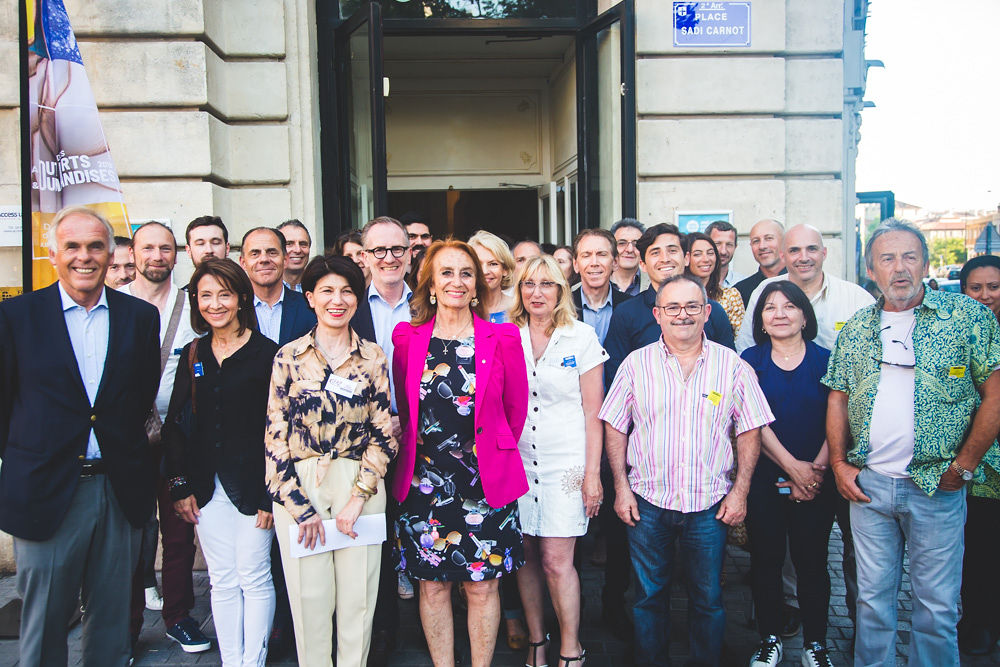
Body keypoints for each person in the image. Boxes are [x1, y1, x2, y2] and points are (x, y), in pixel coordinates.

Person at [824, 220, 1000, 666]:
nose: (899, 268)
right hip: (871, 487)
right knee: (870, 602)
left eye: (909, 257)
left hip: (938, 486)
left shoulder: (966, 317)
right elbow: (838, 398)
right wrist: (841, 466)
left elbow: (994, 393)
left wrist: (964, 466)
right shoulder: (858, 328)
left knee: (937, 608)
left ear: (924, 263)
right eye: (887, 258)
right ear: (871, 269)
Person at [0, 206, 160, 666]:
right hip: (45, 491)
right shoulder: (16, 316)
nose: (84, 256)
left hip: (118, 488)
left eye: (95, 246)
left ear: (111, 254)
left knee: (112, 624)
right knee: (45, 621)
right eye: (72, 246)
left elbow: (138, 395)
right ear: (54, 254)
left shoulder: (139, 317)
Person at [599, 275, 773, 667]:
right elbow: (615, 426)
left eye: (692, 306)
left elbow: (750, 429)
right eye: (673, 308)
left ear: (707, 312)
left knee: (708, 599)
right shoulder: (635, 364)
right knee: (648, 598)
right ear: (658, 315)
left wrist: (740, 491)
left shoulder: (732, 367)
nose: (683, 315)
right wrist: (621, 489)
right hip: (648, 502)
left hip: (709, 505)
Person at [392, 239, 529, 667]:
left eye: (466, 273)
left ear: (477, 286)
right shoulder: (406, 339)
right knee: (432, 585)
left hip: (484, 482)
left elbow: (515, 408)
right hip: (424, 483)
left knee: (483, 586)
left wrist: (489, 451)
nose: (456, 281)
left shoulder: (503, 337)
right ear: (430, 283)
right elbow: (404, 406)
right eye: (446, 272)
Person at [266, 255, 397, 667]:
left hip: (361, 481)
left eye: (347, 291)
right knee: (309, 602)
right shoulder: (288, 356)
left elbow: (383, 432)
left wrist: (359, 496)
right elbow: (275, 436)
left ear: (358, 300)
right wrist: (298, 507)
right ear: (310, 297)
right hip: (301, 484)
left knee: (359, 602)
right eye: (327, 291)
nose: (337, 300)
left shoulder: (373, 356)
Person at [165, 258, 279, 667]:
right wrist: (179, 485)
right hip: (205, 487)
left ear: (241, 298)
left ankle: (254, 661)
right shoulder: (192, 352)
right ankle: (233, 660)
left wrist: (272, 496)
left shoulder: (268, 353)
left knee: (254, 574)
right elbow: (176, 422)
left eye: (224, 294)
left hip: (254, 487)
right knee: (223, 579)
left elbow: (278, 429)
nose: (215, 304)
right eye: (205, 295)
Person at [511, 255, 607, 667]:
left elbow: (592, 412)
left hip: (566, 462)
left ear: (560, 291)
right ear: (519, 291)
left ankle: (571, 645)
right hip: (517, 461)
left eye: (547, 284)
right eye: (529, 284)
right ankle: (537, 641)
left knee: (556, 561)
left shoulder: (580, 337)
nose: (537, 292)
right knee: (526, 556)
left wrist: (593, 475)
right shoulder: (504, 335)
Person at [122, 222, 210, 655]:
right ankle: (129, 626)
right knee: (132, 538)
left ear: (177, 255)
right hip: (127, 443)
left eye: (165, 248)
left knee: (178, 534)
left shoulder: (191, 306)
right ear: (134, 253)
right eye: (148, 248)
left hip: (177, 441)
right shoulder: (117, 306)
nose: (157, 256)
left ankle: (178, 616)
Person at [740, 281, 836, 667]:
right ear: (760, 320)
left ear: (804, 315)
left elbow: (839, 420)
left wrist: (813, 472)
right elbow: (751, 422)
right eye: (770, 308)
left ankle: (816, 644)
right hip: (764, 478)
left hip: (818, 480)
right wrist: (793, 469)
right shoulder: (750, 359)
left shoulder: (827, 359)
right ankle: (770, 639)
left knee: (813, 562)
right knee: (765, 561)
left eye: (789, 306)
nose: (779, 314)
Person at [349, 216, 412, 661]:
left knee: (420, 530)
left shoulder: (427, 302)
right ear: (365, 257)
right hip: (364, 441)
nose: (388, 258)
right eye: (378, 251)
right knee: (376, 532)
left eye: (397, 249)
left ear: (410, 254)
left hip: (420, 435)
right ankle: (382, 629)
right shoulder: (348, 303)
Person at [604, 223, 736, 388]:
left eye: (672, 250)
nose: (665, 258)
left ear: (686, 258)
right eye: (655, 252)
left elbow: (729, 371)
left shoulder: (712, 311)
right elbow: (615, 377)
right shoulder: (626, 313)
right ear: (643, 265)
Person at [955, 255, 1000, 656]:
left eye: (993, 287)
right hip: (976, 465)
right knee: (978, 548)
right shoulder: (960, 330)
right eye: (976, 287)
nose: (985, 295)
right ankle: (978, 622)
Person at [737, 224, 875, 353]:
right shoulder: (764, 291)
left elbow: (872, 354)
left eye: (812, 249)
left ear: (824, 253)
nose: (804, 258)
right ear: (783, 256)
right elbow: (747, 345)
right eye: (794, 250)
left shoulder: (856, 298)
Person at [240, 227, 317, 346]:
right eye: (255, 254)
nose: (264, 259)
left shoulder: (310, 307)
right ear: (243, 263)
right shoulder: (234, 309)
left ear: (285, 259)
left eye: (272, 252)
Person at [570, 228, 631, 345]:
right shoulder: (560, 307)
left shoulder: (630, 307)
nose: (594, 263)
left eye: (602, 254)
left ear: (615, 262)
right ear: (575, 264)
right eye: (586, 255)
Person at [684, 231, 745, 334]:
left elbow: (740, 338)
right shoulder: (676, 297)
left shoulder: (730, 296)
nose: (706, 259)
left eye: (710, 253)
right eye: (697, 254)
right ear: (686, 258)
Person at [735, 219, 786, 306]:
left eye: (769, 238)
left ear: (785, 241)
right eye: (756, 241)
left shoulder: (801, 282)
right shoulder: (740, 292)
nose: (762, 246)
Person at [469, 230, 516, 323]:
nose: (485, 271)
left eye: (493, 264)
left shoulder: (518, 308)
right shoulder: (462, 309)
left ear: (505, 269)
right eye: (478, 264)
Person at [609, 218, 646, 296]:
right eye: (622, 243)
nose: (630, 249)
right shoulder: (583, 288)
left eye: (636, 244)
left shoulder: (655, 284)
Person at [706, 219, 746, 288]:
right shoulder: (693, 283)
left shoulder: (744, 283)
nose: (723, 251)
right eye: (717, 244)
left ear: (735, 247)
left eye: (729, 245)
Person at [278, 219, 313, 292]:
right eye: (289, 244)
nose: (298, 250)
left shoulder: (318, 286)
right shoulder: (266, 288)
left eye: (303, 244)